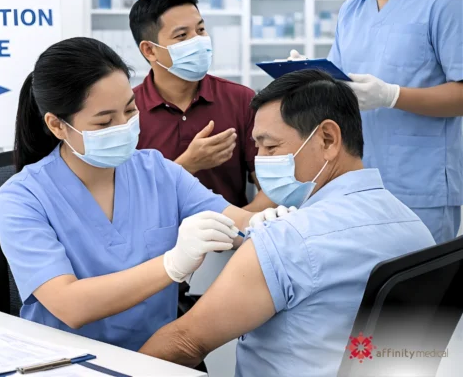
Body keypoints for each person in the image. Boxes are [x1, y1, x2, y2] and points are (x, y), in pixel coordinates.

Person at [0, 37, 292, 351]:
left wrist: (269, 222)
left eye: (129, 109)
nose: (124, 126)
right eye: (105, 121)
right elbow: (70, 305)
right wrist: (173, 263)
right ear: (57, 125)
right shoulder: (22, 198)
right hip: (68, 362)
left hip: (159, 356)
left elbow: (234, 222)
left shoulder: (156, 170)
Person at [139, 70, 435, 376]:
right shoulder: (417, 229)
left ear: (327, 139)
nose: (260, 159)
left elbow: (185, 343)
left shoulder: (286, 240)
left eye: (270, 147)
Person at [321, 0, 463, 243]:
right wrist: (306, 78)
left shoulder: (445, 4)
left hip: (421, 189)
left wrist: (392, 95)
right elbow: (337, 88)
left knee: (419, 295)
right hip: (359, 185)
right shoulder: (353, 10)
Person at [129, 0, 274, 211]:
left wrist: (231, 229)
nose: (198, 41)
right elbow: (124, 202)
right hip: (159, 243)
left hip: (233, 238)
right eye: (182, 36)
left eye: (201, 29)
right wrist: (187, 165)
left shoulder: (241, 100)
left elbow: (272, 191)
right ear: (150, 50)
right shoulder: (127, 112)